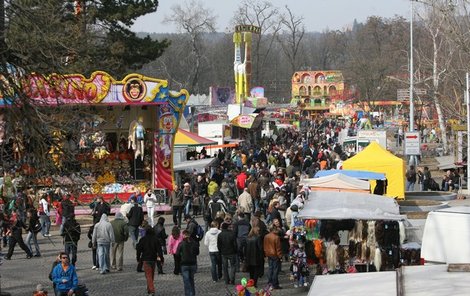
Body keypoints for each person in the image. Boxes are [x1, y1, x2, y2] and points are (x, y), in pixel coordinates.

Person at [136, 225, 164, 296]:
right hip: (153, 259)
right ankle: (149, 289)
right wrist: (161, 259)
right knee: (151, 275)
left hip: (145, 259)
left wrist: (138, 258)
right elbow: (159, 251)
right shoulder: (156, 239)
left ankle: (151, 290)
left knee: (148, 275)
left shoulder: (143, 239)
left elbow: (139, 249)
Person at [177, 229, 199, 296]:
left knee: (186, 281)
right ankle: (192, 294)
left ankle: (188, 294)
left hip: (184, 264)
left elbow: (177, 254)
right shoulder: (194, 243)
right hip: (192, 263)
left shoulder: (181, 244)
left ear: (183, 235)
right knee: (191, 280)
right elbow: (197, 253)